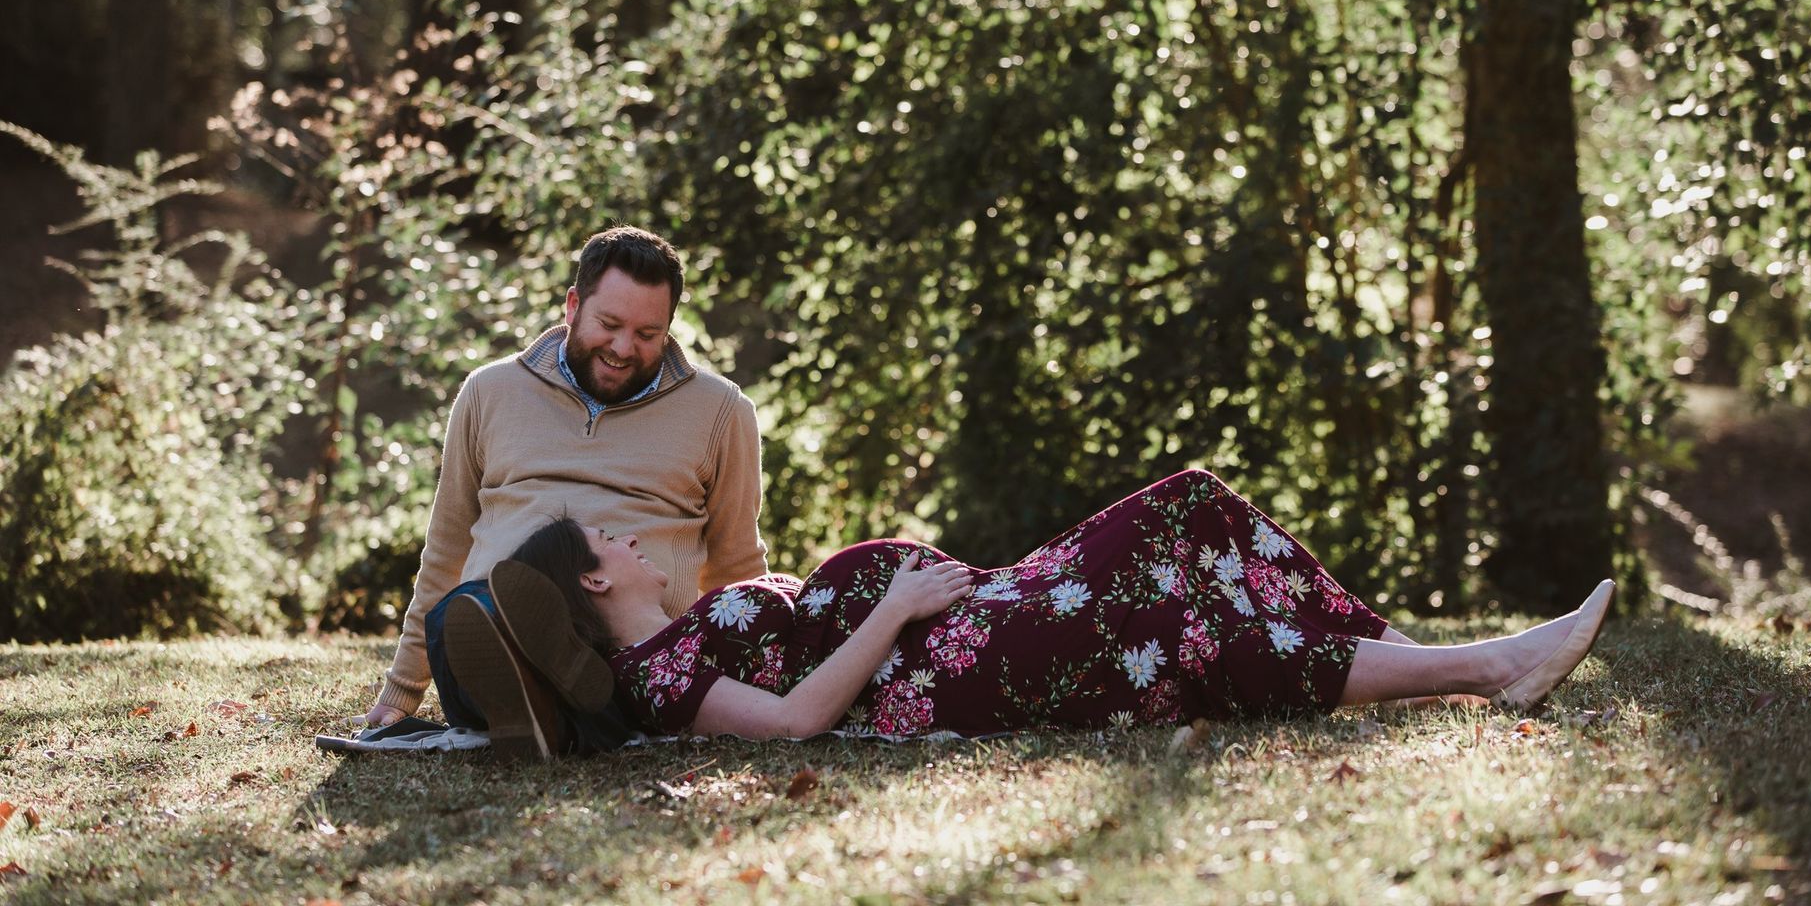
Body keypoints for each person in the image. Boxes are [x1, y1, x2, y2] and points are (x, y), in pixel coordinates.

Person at [484, 468, 1611, 750]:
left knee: (1192, 505)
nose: (628, 540)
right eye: (609, 540)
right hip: (943, 663)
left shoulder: (684, 634)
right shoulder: (657, 676)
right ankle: (1483, 666)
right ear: (594, 581)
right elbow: (793, 723)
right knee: (1186, 631)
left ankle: (1409, 660)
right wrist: (897, 605)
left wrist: (911, 595)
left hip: (963, 615)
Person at [358, 226, 770, 753]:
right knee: (477, 606)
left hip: (639, 647)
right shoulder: (489, 391)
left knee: (616, 647)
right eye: (609, 325)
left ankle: (560, 701)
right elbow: (446, 548)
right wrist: (400, 692)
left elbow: (735, 562)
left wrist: (757, 677)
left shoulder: (721, 411)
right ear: (573, 305)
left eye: (648, 334)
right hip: (489, 624)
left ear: (670, 327)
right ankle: (545, 693)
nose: (623, 348)